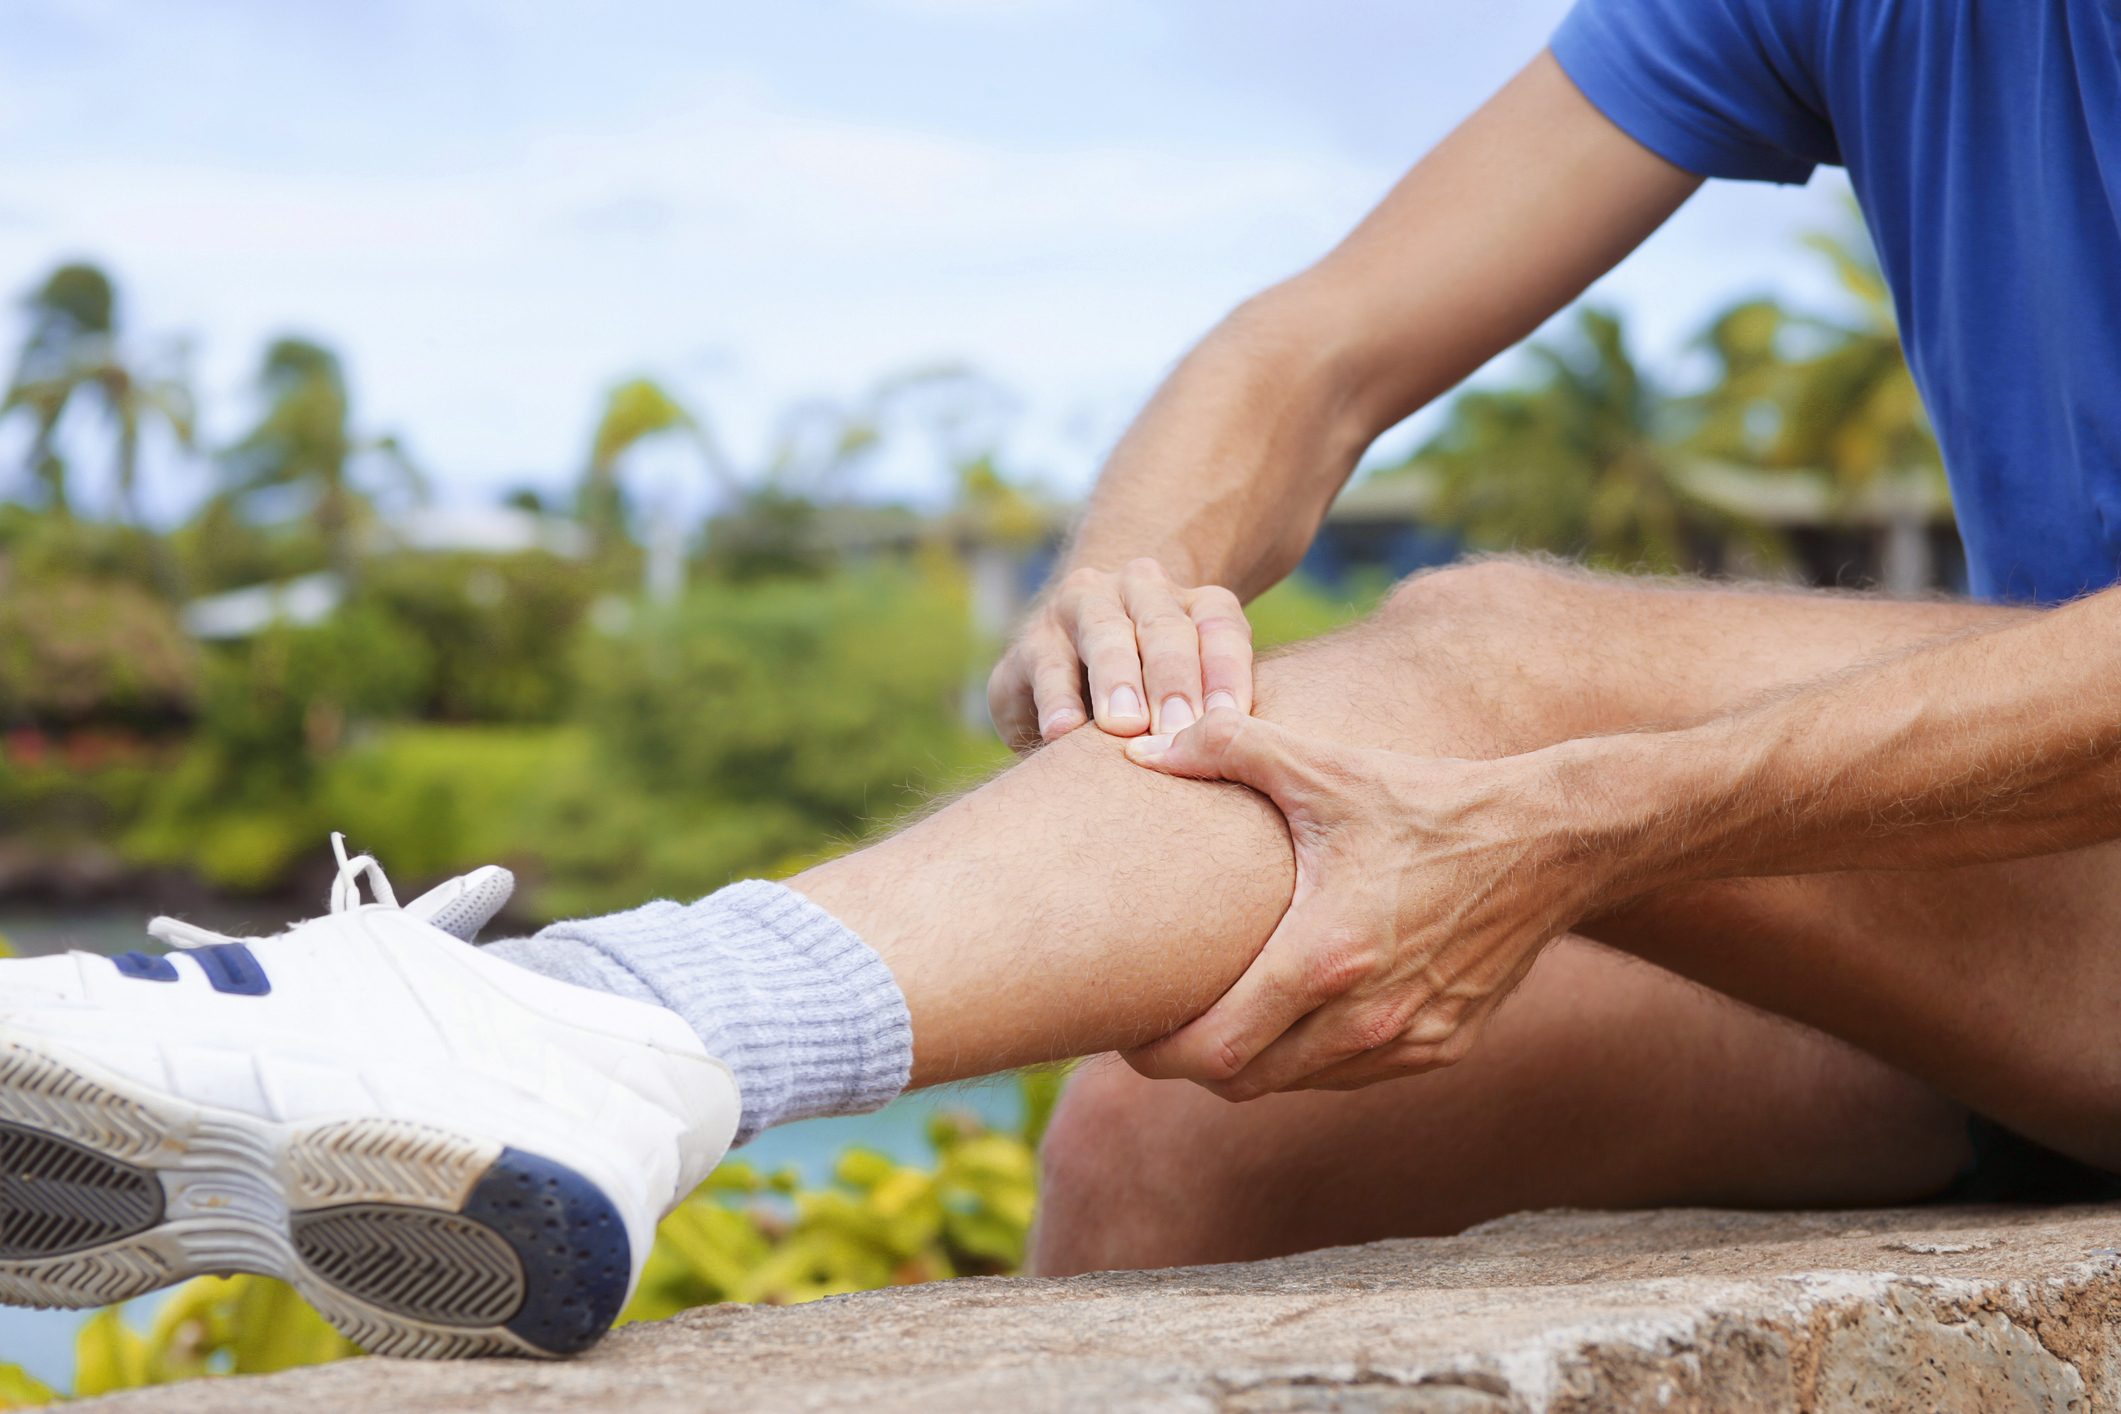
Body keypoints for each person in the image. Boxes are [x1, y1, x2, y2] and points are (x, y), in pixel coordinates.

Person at [9, 0, 2121, 1361]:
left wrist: (1588, 813)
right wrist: (1136, 577)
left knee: (1511, 662)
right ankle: (536, 1039)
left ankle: (611, 1019)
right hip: (2044, 936)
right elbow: (1313, 353)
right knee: (1181, 1130)